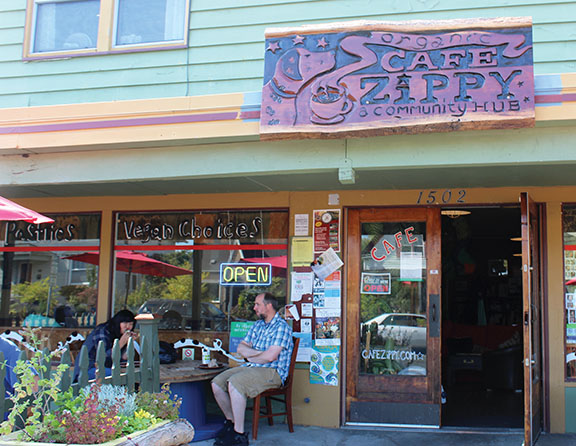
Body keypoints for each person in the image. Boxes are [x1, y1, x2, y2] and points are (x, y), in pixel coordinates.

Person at [211, 293, 293, 446]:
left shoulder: (282, 327)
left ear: (268, 306)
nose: (254, 308)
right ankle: (232, 423)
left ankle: (239, 436)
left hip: (272, 372)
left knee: (235, 383)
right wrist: (256, 355)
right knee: (217, 384)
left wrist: (252, 355)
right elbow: (241, 347)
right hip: (251, 366)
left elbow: (270, 357)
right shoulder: (258, 325)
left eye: (257, 304)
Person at [74, 309, 138, 380]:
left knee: (131, 375)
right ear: (118, 322)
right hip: (88, 368)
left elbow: (123, 359)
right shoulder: (103, 331)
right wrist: (120, 343)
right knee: (116, 376)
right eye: (125, 323)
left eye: (131, 324)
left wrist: (129, 343)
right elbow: (103, 357)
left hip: (108, 368)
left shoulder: (120, 334)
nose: (128, 327)